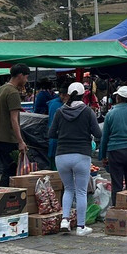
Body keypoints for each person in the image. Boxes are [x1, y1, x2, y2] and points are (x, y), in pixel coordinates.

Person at [49, 82, 100, 235]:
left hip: (61, 156)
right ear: (83, 94)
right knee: (81, 191)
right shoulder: (88, 111)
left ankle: (65, 220)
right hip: (81, 155)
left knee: (68, 189)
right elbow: (98, 133)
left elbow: (51, 133)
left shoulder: (59, 111)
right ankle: (81, 227)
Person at [0, 64, 30, 187]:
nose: (26, 80)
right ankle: (2, 198)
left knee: (7, 168)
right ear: (20, 76)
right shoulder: (13, 92)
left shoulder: (1, 89)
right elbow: (14, 119)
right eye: (26, 77)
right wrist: (20, 141)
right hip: (7, 137)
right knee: (10, 170)